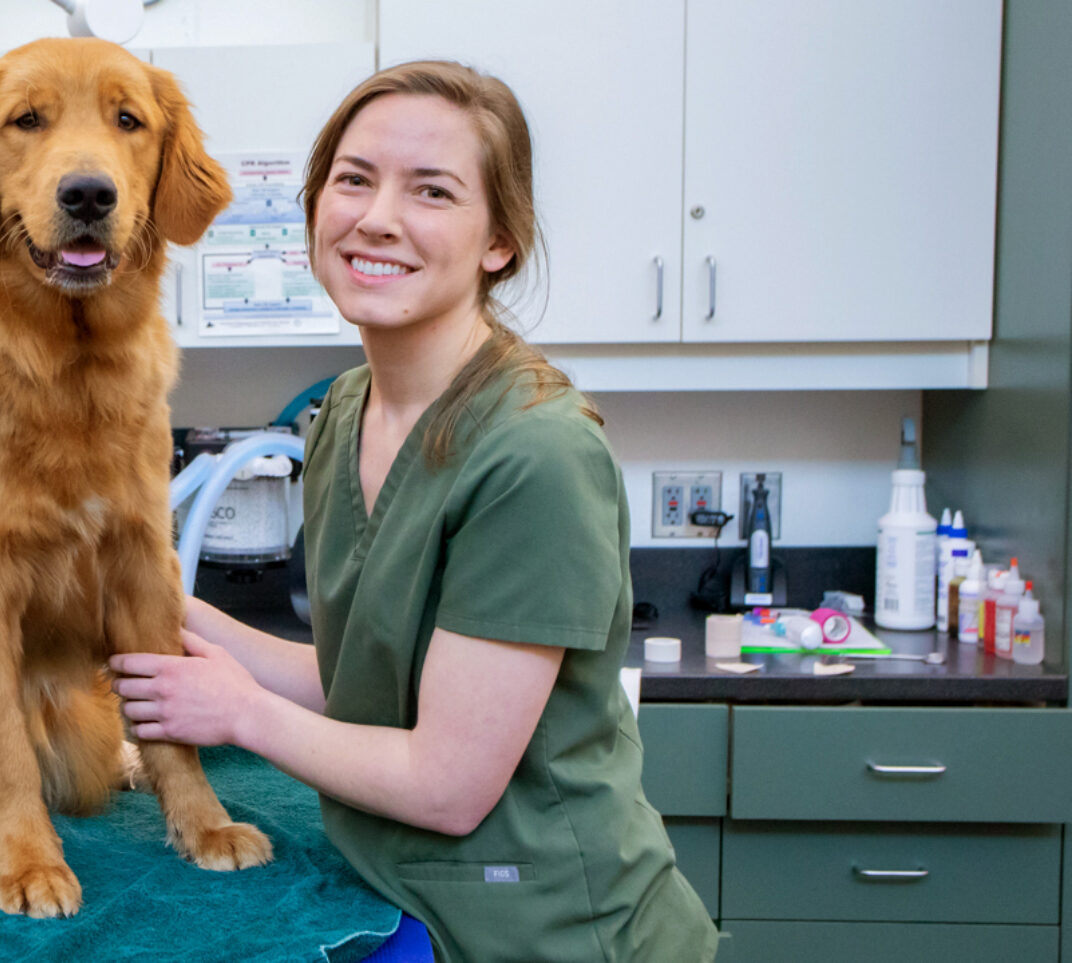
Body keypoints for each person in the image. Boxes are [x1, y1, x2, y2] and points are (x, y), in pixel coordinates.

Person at [110, 62, 718, 962]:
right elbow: (363, 682)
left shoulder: (536, 453)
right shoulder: (343, 413)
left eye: (432, 191)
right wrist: (162, 610)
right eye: (354, 180)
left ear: (499, 240)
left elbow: (448, 784)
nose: (379, 216)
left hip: (547, 927)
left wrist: (238, 712)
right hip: (409, 898)